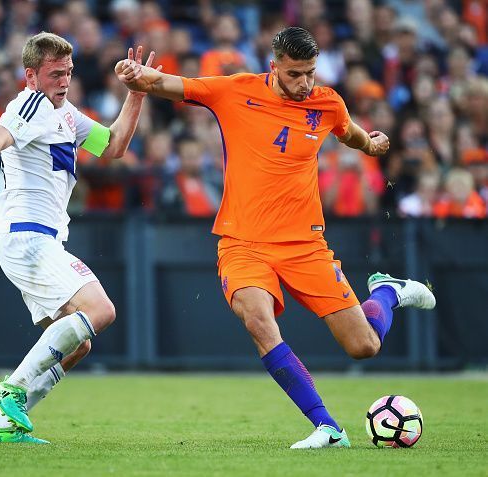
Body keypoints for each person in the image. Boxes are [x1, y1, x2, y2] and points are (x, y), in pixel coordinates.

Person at [115, 26, 436, 449]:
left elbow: (351, 133)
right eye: (295, 74)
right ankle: (327, 427)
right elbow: (169, 83)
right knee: (259, 321)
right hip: (242, 242)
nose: (304, 83)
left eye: (310, 73)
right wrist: (136, 75)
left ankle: (388, 293)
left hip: (305, 245)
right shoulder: (234, 91)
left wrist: (371, 145)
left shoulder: (326, 102)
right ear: (274, 67)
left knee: (364, 347)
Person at [0, 32, 158, 444]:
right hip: (27, 236)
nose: (64, 81)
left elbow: (115, 146)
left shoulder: (67, 114)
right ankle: (12, 387)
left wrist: (136, 93)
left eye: (68, 72)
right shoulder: (29, 103)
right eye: (55, 74)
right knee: (100, 311)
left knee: (78, 343)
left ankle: (3, 426)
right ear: (32, 75)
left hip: (41, 240)